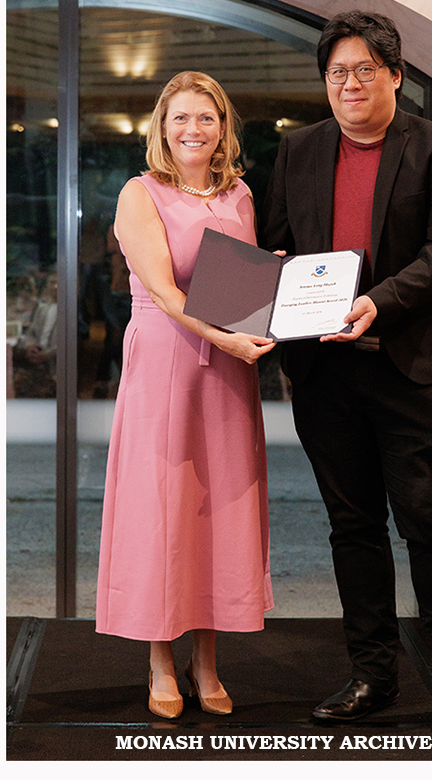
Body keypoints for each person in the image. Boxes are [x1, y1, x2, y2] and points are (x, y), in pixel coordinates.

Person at [260, 11, 432, 735]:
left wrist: (376, 302)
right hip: (324, 374)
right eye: (337, 72)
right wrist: (266, 284)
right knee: (352, 527)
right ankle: (372, 674)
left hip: (411, 368)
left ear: (394, 75)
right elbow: (276, 246)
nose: (350, 84)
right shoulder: (298, 149)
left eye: (364, 70)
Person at [96, 71, 275, 719]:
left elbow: (241, 288)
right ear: (162, 127)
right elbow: (168, 295)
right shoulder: (140, 192)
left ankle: (207, 661)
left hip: (228, 369)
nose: (193, 128)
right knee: (164, 508)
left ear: (223, 127)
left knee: (218, 510)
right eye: (181, 117)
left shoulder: (240, 194)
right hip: (167, 360)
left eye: (206, 117)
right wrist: (225, 337)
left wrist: (277, 290)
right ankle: (160, 660)